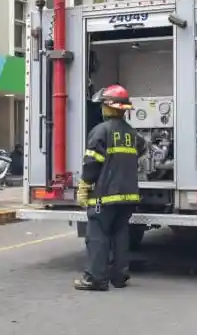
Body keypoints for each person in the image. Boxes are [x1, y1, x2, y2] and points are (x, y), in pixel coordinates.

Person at [74, 84, 145, 291]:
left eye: (104, 105)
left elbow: (92, 163)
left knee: (97, 235)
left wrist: (85, 186)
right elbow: (142, 149)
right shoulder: (132, 134)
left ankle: (95, 278)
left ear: (109, 107)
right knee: (120, 235)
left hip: (105, 196)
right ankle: (119, 276)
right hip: (128, 196)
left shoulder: (100, 131)